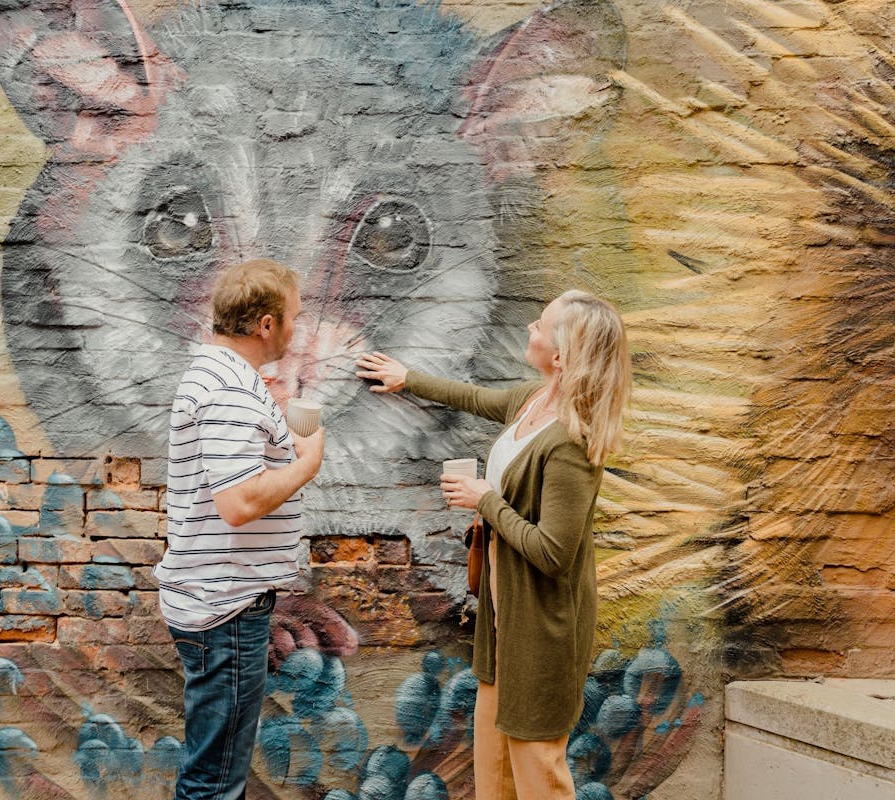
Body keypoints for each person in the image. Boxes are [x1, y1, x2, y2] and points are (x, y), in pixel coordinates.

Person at [355, 290, 630, 800]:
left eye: (541, 325)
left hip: (543, 628)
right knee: (494, 764)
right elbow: (474, 398)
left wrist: (487, 502)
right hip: (504, 617)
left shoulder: (571, 440)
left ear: (563, 354)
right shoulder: (532, 401)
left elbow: (554, 552)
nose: (530, 326)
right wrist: (407, 378)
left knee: (537, 771)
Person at [156, 258, 325, 800]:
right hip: (224, 610)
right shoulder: (228, 389)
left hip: (218, 602)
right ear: (266, 325)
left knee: (215, 770)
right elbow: (238, 502)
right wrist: (306, 463)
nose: (297, 329)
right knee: (215, 782)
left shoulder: (223, 379)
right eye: (293, 317)